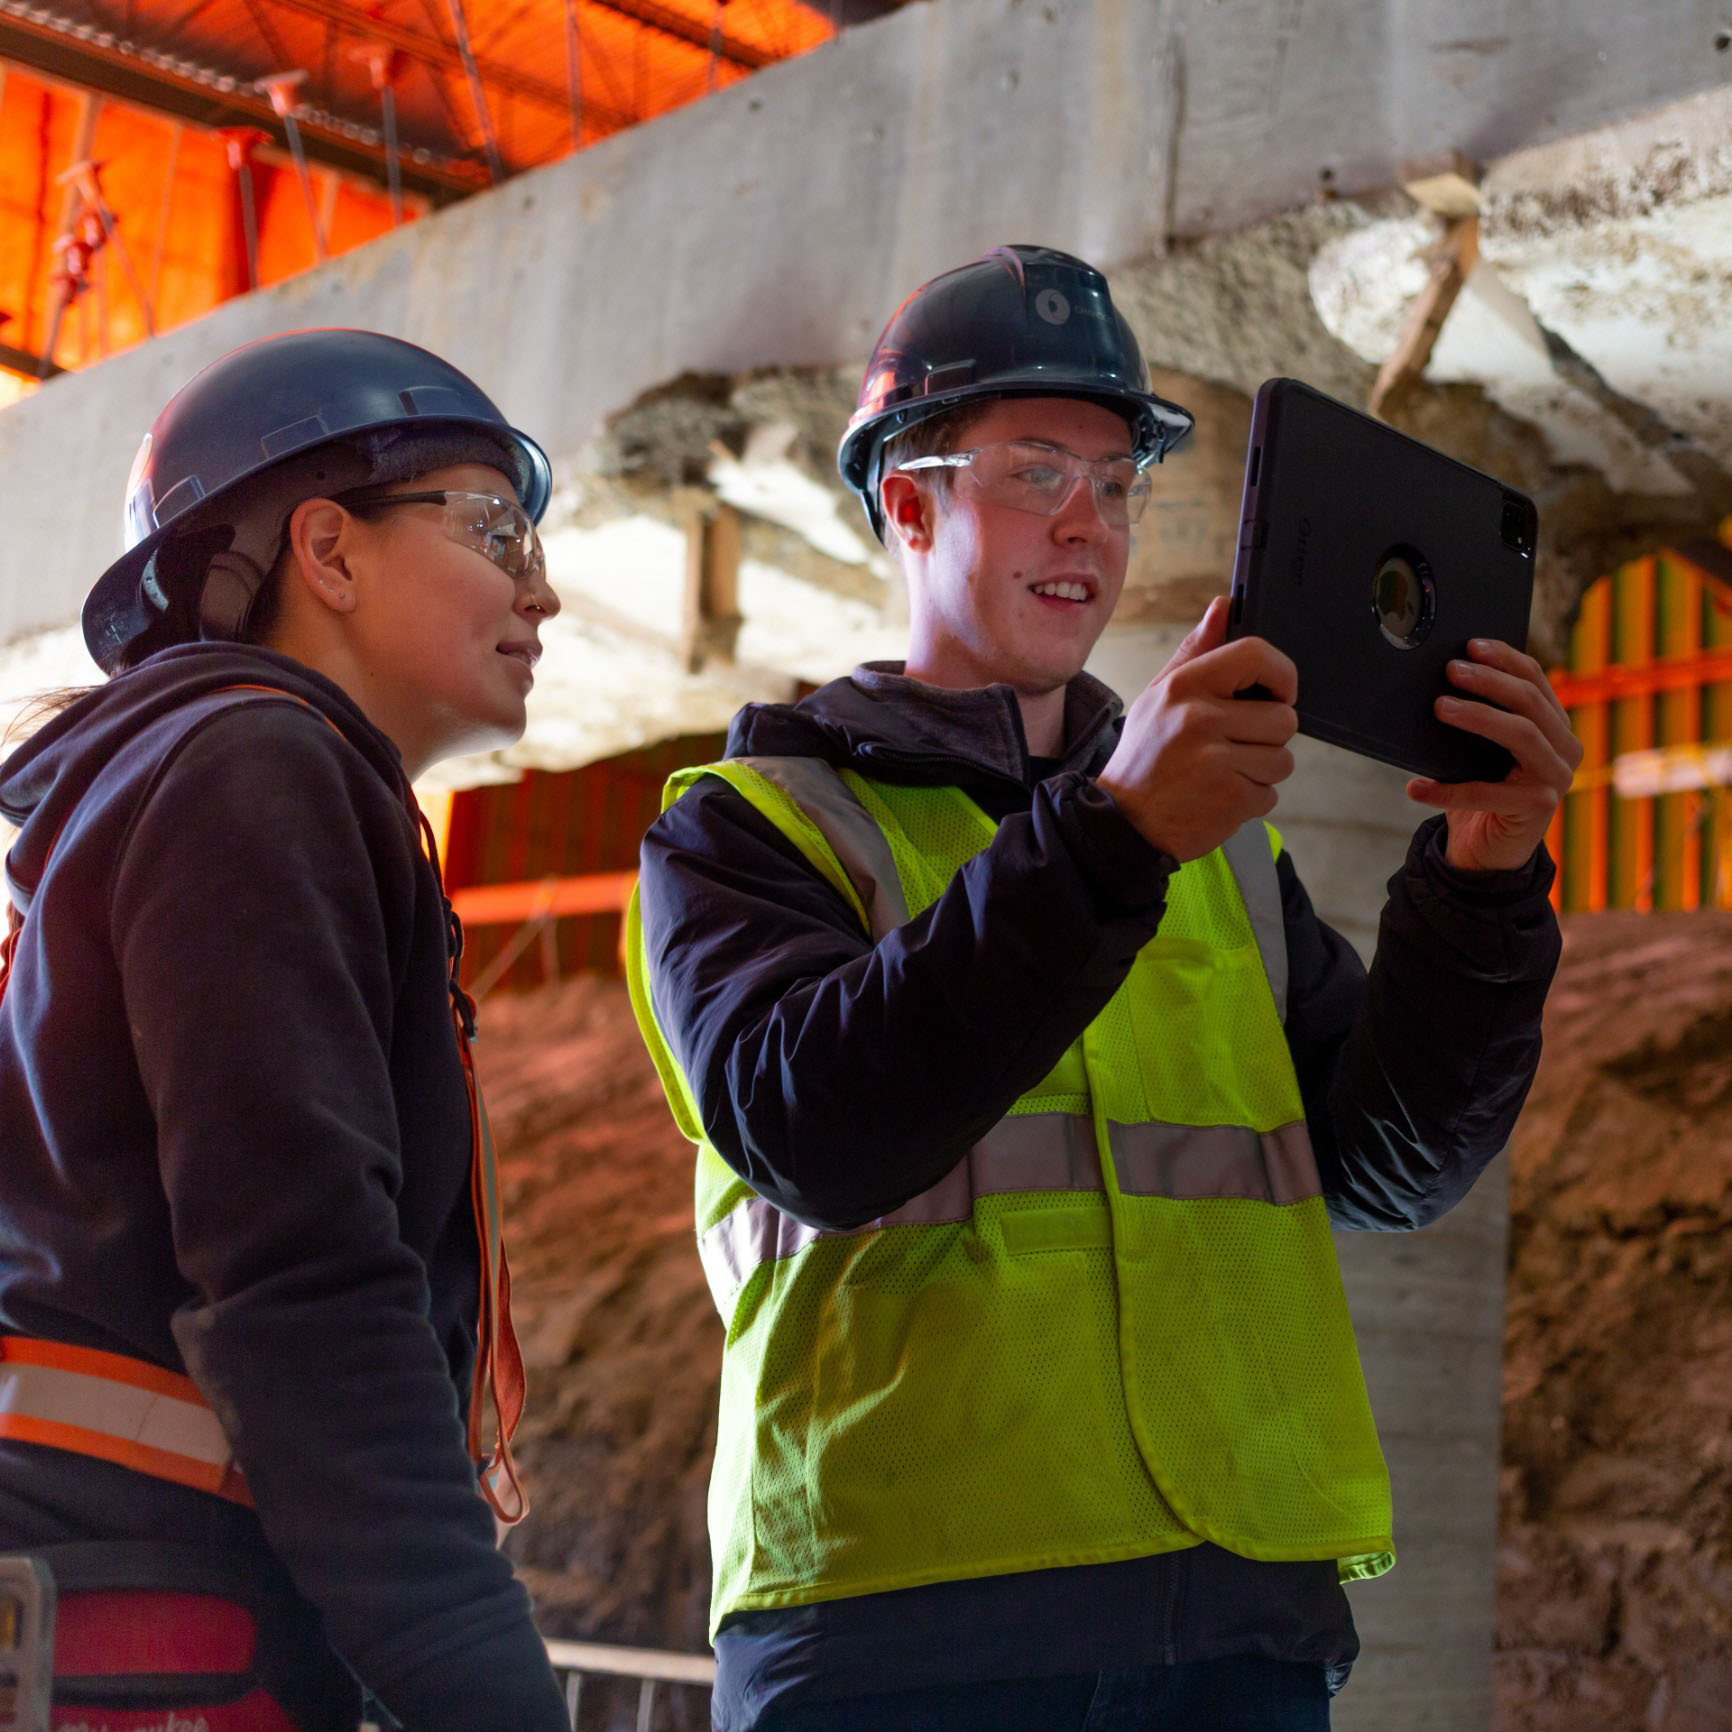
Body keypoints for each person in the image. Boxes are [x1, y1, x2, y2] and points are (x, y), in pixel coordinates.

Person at [626, 245, 1582, 1731]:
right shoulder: (750, 826)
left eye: (1118, 480)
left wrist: (1480, 877)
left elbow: (1390, 1166)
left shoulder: (1215, 855)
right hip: (900, 1623)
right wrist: (1111, 832)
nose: (1090, 521)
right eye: (1033, 471)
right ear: (908, 499)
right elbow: (820, 1129)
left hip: (1237, 1611)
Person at [0, 329, 572, 1730]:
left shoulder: (213, 775)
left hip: (131, 1588)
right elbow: (303, 1275)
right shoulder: (255, 768)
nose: (543, 591)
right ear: (327, 551)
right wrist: (476, 1675)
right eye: (497, 529)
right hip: (151, 1623)